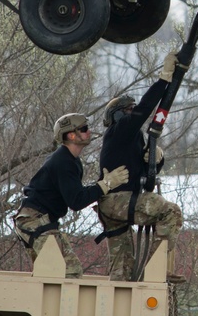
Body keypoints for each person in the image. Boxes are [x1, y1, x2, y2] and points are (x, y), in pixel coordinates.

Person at [97, 52, 184, 282]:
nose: (132, 114)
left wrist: (156, 160)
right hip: (119, 201)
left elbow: (146, 176)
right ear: (117, 115)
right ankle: (156, 269)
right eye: (128, 110)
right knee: (170, 212)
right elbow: (145, 108)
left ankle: (120, 299)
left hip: (114, 206)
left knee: (122, 271)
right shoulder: (119, 130)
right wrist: (164, 79)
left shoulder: (130, 141)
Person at [13, 113, 128, 278]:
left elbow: (76, 194)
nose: (89, 132)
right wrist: (105, 184)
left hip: (38, 220)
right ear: (71, 135)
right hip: (34, 221)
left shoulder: (71, 160)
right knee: (69, 270)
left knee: (49, 274)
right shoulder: (63, 161)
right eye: (84, 129)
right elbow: (76, 201)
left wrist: (103, 185)